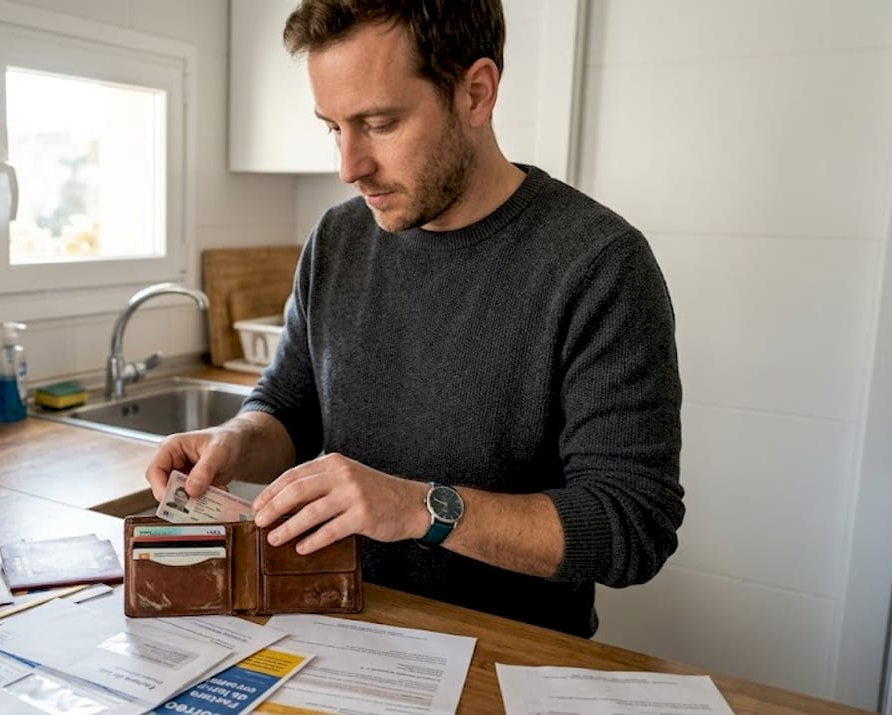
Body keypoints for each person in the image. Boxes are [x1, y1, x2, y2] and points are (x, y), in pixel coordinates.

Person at [145, 0, 684, 638]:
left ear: (476, 93)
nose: (350, 167)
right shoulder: (338, 238)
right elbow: (291, 406)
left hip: (506, 656)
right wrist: (236, 439)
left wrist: (418, 507)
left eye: (380, 123)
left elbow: (632, 525)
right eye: (333, 128)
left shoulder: (599, 264)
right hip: (337, 630)